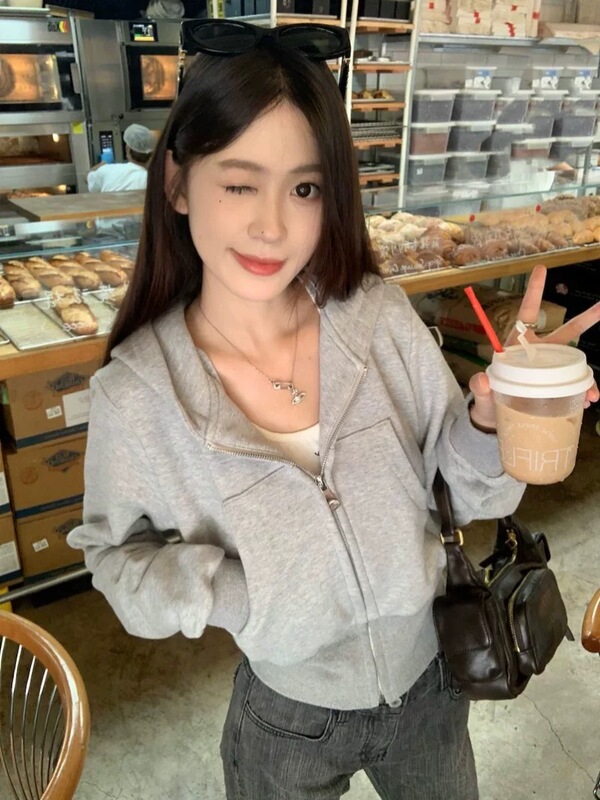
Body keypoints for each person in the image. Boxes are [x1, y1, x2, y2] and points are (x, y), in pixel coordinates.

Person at [68, 19, 600, 800]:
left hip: (433, 681)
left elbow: (464, 493)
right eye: (240, 183)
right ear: (177, 182)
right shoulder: (138, 394)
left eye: (305, 188)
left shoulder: (375, 316)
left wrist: (494, 420)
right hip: (288, 717)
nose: (273, 225)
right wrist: (235, 594)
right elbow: (114, 556)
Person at [86, 124, 155, 193]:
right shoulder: (152, 180)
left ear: (127, 149)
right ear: (151, 154)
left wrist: (102, 163)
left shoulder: (106, 171)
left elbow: (87, 178)